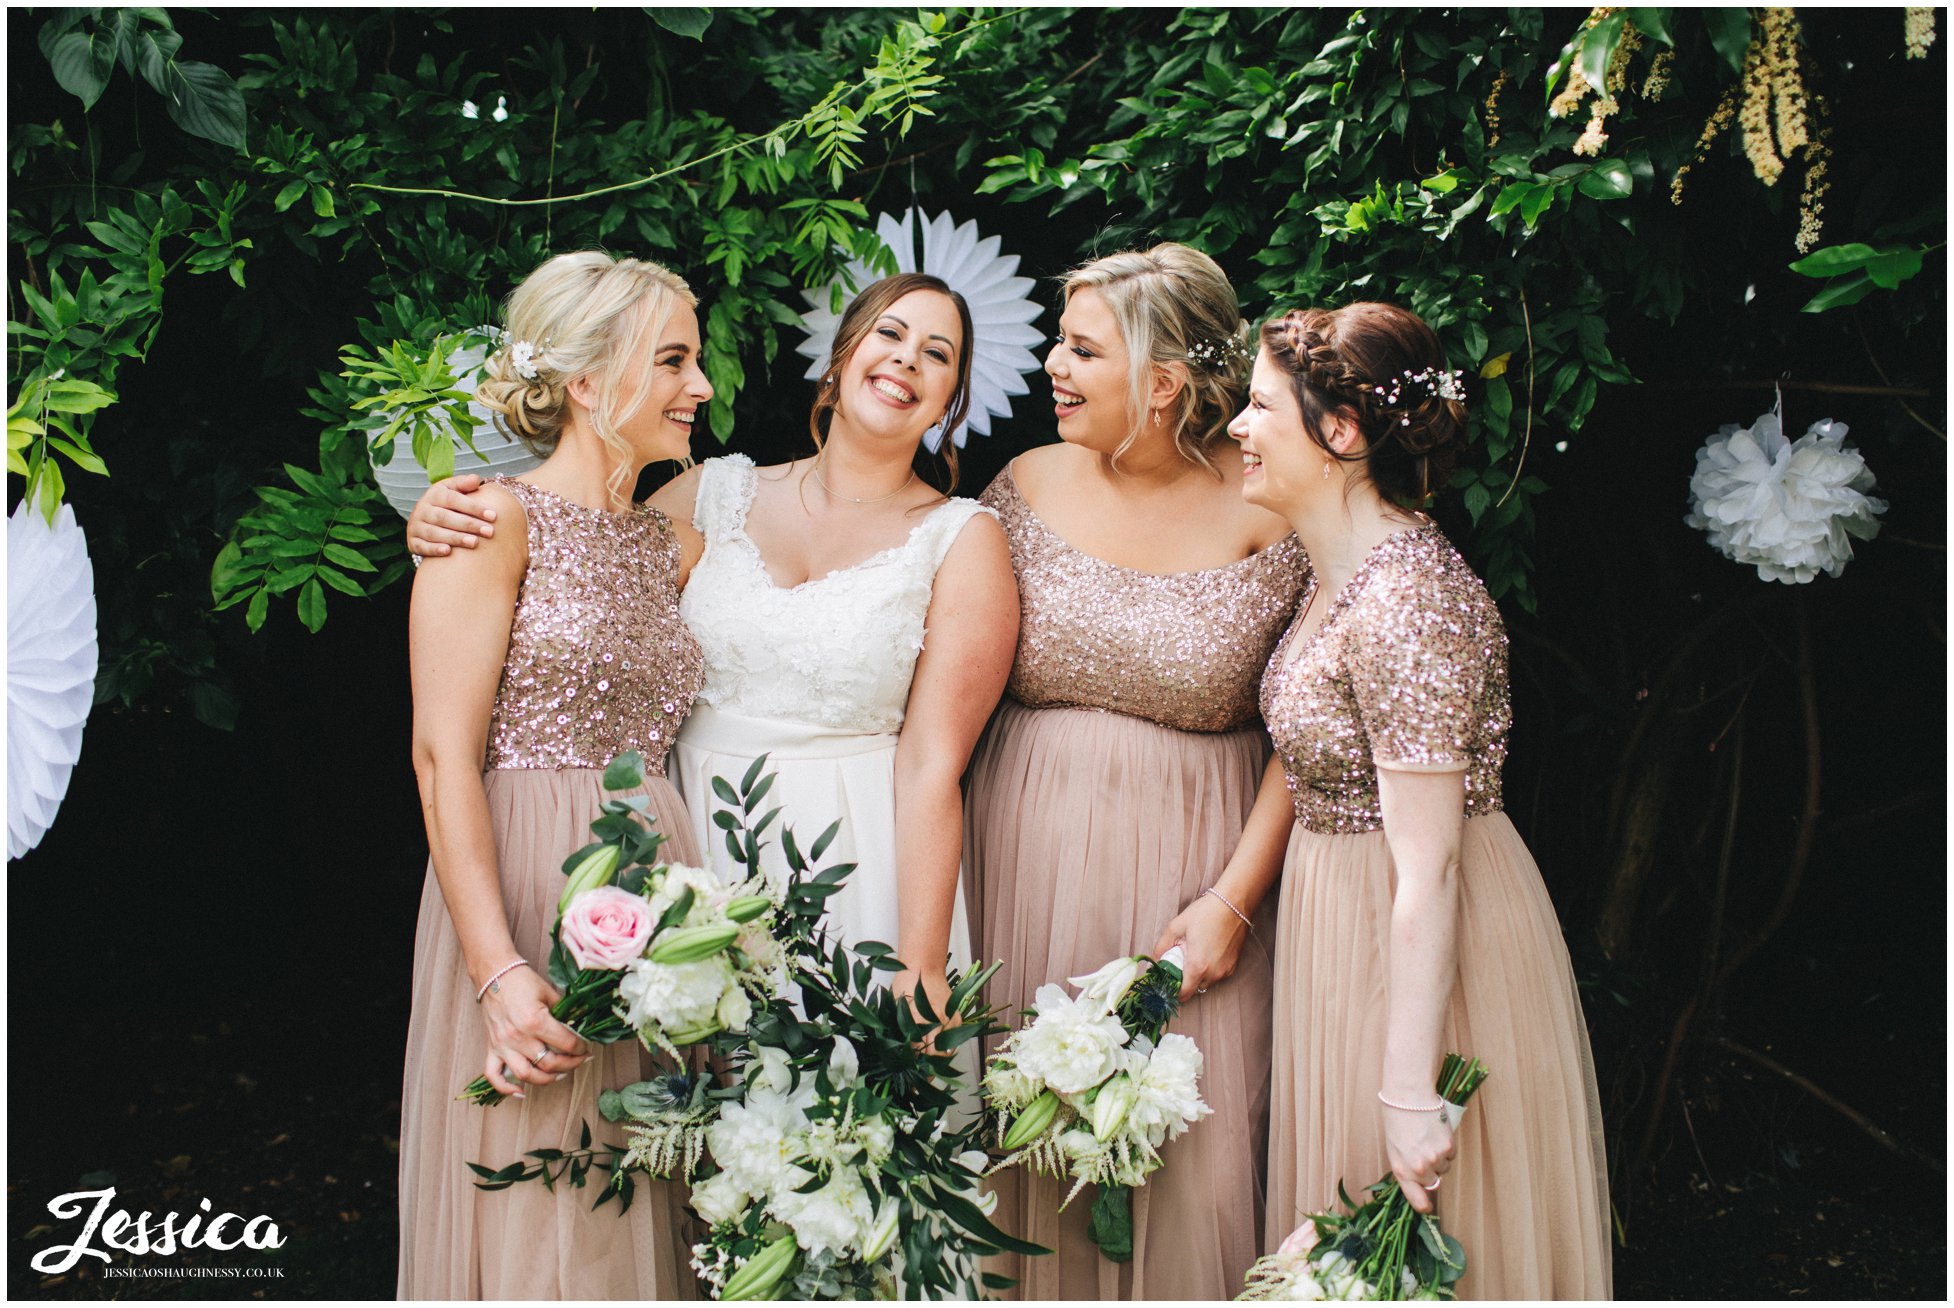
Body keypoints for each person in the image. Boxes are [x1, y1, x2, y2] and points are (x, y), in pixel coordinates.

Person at [405, 272, 1018, 1027]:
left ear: (953, 395)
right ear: (842, 354)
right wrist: (443, 523)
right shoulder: (706, 498)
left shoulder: (960, 536)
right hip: (682, 845)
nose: (907, 361)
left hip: (857, 855)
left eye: (938, 353)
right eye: (890, 335)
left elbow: (934, 763)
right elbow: (581, 553)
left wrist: (921, 962)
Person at [1227, 303, 1611, 1298]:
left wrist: (1408, 1091)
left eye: (1261, 405)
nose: (1236, 426)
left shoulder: (1408, 600)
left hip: (1426, 948)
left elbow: (1429, 861)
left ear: (1340, 432)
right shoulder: (1336, 572)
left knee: (1413, 1234)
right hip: (1341, 929)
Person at [966, 244, 1307, 1299]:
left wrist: (1232, 903)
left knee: (1186, 1167)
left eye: (1080, 351)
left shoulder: (1273, 507)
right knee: (1020, 1142)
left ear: (1161, 383)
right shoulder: (1020, 484)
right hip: (1017, 852)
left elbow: (1313, 728)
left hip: (1193, 882)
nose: (1052, 371)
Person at [398, 251, 710, 1299]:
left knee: (639, 1198)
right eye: (672, 362)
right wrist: (495, 971)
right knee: (543, 1219)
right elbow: (442, 754)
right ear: (585, 383)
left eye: (695, 361)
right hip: (525, 881)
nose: (700, 388)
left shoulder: (679, 546)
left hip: (664, 897)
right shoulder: (489, 522)